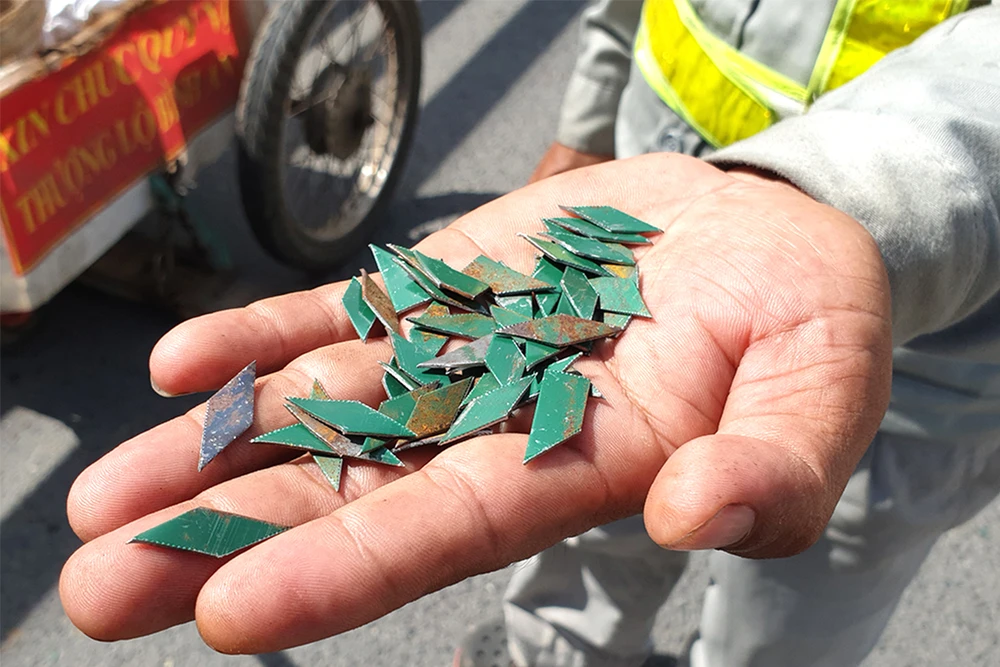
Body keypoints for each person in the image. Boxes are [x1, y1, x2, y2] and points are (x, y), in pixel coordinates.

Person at [58, 2, 999, 666]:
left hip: (940, 314)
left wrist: (844, 186)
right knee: (590, 512)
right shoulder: (550, 337)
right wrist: (590, 117)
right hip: (659, 169)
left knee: (807, 593)